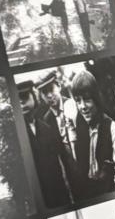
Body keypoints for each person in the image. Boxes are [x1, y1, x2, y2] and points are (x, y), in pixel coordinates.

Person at [70, 68, 115, 198]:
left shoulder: (112, 127)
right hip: (87, 193)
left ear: (96, 99)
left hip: (108, 191)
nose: (82, 106)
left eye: (87, 99)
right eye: (78, 101)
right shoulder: (79, 125)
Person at [19, 79, 75, 210]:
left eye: (24, 96)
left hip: (58, 197)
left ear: (34, 96)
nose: (21, 102)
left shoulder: (45, 127)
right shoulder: (16, 132)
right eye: (17, 99)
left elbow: (59, 166)